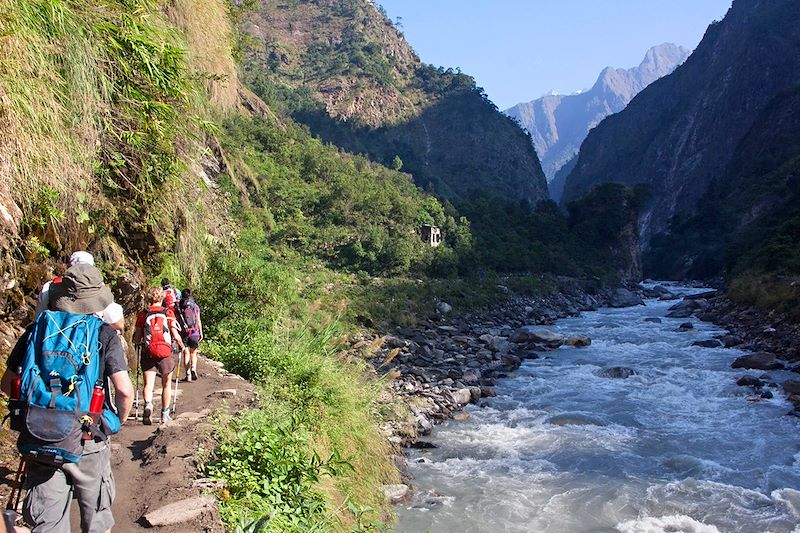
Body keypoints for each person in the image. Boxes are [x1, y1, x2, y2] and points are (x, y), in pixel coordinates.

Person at [1, 263, 134, 533]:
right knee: (95, 519)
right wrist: (115, 421)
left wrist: (44, 406)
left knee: (47, 523)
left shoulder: (35, 331)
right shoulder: (104, 334)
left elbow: (7, 383)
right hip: (88, 438)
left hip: (40, 438)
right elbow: (124, 390)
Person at [35, 251, 124, 334]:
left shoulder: (49, 287)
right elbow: (118, 324)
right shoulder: (99, 290)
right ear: (92, 268)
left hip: (51, 341)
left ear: (69, 267)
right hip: (88, 344)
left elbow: (38, 320)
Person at [133, 286, 184, 424]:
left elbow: (137, 337)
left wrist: (138, 344)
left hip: (148, 352)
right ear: (162, 298)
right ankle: (164, 414)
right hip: (165, 353)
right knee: (166, 384)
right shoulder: (168, 313)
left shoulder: (143, 314)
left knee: (148, 384)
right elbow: (175, 333)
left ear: (149, 298)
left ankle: (148, 404)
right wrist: (181, 345)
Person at [178, 288, 203, 382]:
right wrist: (201, 332)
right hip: (195, 332)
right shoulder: (195, 306)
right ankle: (193, 368)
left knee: (186, 353)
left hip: (184, 332)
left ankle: (188, 375)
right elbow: (198, 319)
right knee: (193, 352)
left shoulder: (180, 306)